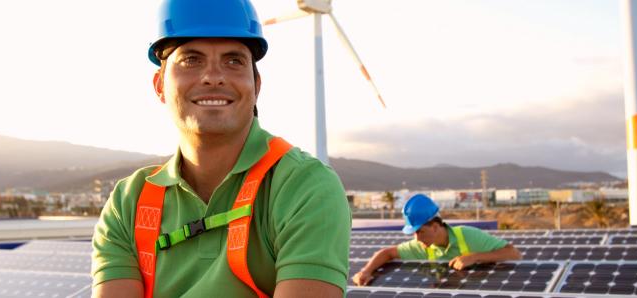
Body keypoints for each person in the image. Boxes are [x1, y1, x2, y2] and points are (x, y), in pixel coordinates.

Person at [90, 0, 351, 297]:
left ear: (256, 86)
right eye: (191, 59)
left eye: (233, 60)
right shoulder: (128, 203)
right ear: (159, 85)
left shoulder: (305, 187)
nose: (213, 76)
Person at [352, 194, 521, 286]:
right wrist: (366, 271)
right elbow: (387, 253)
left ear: (435, 226)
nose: (417, 238)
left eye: (420, 232)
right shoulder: (422, 246)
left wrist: (474, 257)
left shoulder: (468, 235)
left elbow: (513, 253)